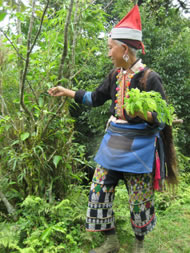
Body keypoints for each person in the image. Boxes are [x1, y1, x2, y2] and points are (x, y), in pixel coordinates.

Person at [48, 5, 178, 253]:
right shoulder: (114, 76)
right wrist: (66, 92)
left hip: (139, 147)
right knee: (98, 191)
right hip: (113, 143)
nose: (108, 53)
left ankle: (138, 245)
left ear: (124, 49)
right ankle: (111, 241)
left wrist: (144, 114)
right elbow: (95, 98)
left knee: (139, 199)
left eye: (110, 47)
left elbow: (162, 119)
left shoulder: (150, 78)